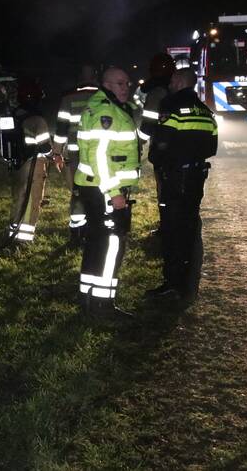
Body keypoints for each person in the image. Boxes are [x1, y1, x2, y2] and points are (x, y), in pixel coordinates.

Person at [145, 67, 218, 300]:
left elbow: (160, 145)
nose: (169, 82)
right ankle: (189, 283)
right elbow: (212, 148)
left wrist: (159, 159)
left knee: (172, 230)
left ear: (178, 81)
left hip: (175, 178)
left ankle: (172, 284)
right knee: (190, 226)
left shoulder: (171, 106)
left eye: (173, 78)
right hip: (197, 176)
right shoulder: (206, 112)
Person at [74, 67, 141, 317]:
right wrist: (113, 192)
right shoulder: (106, 110)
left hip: (94, 186)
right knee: (112, 242)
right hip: (103, 187)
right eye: (121, 83)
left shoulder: (103, 105)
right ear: (107, 84)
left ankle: (88, 297)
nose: (127, 87)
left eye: (128, 83)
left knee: (97, 242)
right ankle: (103, 306)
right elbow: (99, 156)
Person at [52, 64, 99, 247]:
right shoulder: (103, 97)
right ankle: (96, 228)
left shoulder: (68, 98)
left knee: (78, 192)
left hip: (76, 154)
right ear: (95, 76)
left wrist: (57, 152)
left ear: (80, 77)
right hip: (99, 152)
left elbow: (62, 128)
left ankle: (77, 233)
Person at [7, 78, 53, 243]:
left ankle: (12, 233)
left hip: (17, 165)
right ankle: (24, 239)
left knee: (18, 198)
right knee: (32, 201)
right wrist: (54, 153)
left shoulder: (14, 116)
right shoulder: (38, 120)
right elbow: (46, 148)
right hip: (34, 166)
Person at [137, 52, 177, 233]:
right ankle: (176, 223)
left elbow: (148, 125)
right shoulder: (177, 89)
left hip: (163, 149)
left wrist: (137, 142)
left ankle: (167, 226)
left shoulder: (155, 93)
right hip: (180, 146)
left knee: (164, 189)